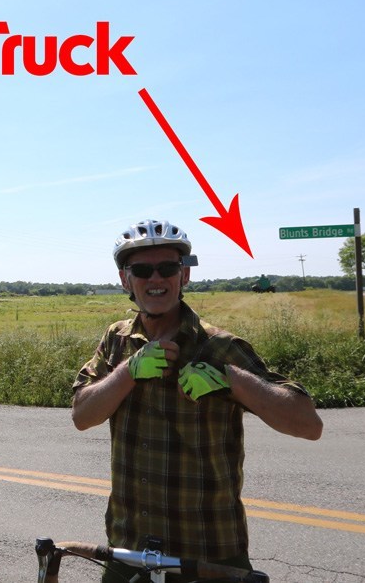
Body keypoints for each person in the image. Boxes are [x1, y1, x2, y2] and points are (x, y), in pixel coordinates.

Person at [71, 220, 322, 582]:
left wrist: (229, 379)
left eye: (168, 267)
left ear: (184, 276)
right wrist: (128, 372)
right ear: (126, 280)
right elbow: (82, 415)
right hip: (129, 549)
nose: (155, 278)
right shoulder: (118, 340)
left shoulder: (219, 346)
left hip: (209, 555)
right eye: (141, 270)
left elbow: (308, 425)